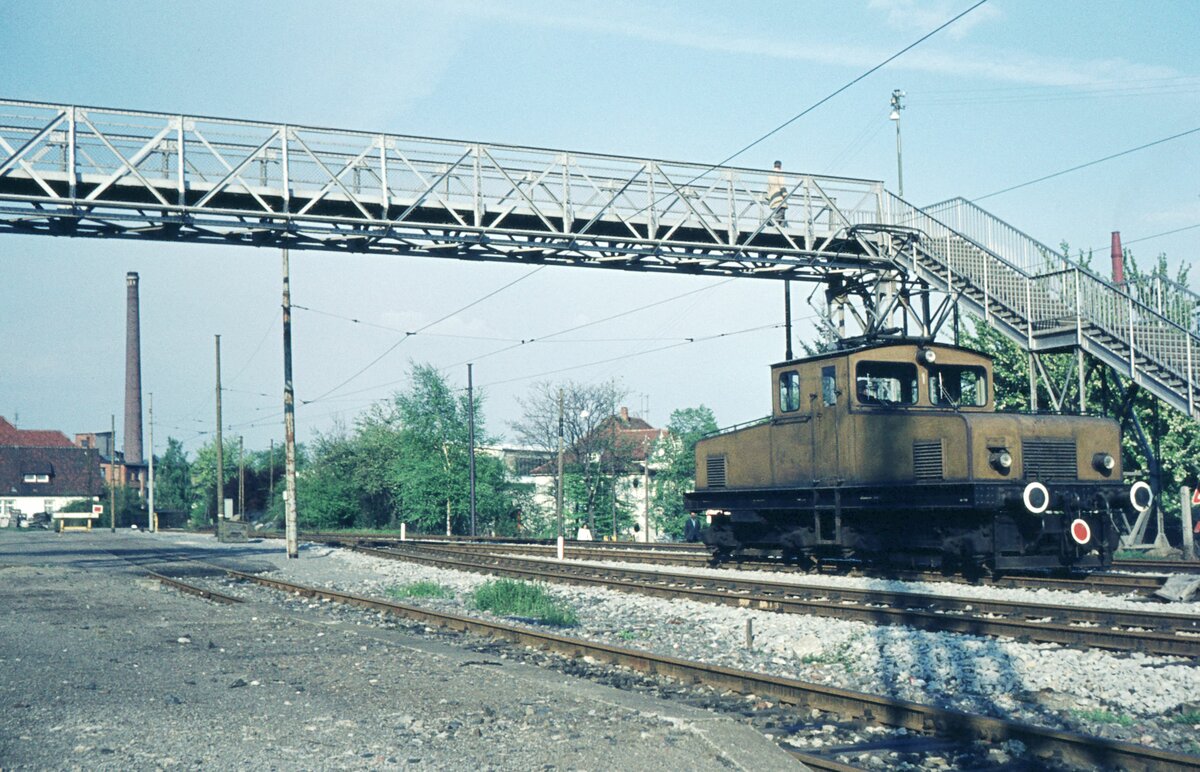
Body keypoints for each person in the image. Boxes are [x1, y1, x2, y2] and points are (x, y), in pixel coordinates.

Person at [767, 160, 787, 227]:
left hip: (772, 195)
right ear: (780, 166)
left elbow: (768, 186)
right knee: (782, 210)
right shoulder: (779, 172)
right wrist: (784, 193)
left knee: (780, 211)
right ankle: (771, 222)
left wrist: (768, 197)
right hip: (779, 194)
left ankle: (782, 226)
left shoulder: (770, 174)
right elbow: (782, 183)